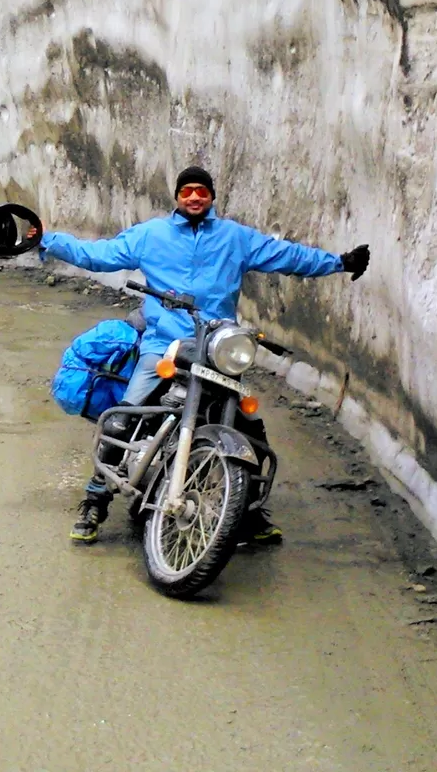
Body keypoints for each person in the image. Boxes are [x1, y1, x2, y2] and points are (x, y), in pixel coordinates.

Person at [34, 165, 368, 544]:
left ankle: (247, 511)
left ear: (211, 197)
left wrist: (340, 263)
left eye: (201, 191)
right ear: (177, 197)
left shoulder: (235, 237)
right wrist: (49, 240)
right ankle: (95, 501)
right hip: (164, 344)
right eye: (187, 191)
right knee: (123, 419)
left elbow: (287, 256)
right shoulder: (150, 235)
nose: (194, 197)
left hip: (216, 347)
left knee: (249, 430)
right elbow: (98, 255)